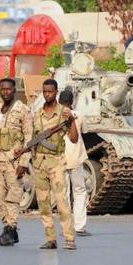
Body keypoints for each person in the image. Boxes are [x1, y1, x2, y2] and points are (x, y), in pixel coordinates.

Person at [30, 79, 78, 250]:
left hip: (56, 162)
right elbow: (32, 138)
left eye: (50, 92)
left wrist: (72, 121)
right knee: (43, 203)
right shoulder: (37, 114)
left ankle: (69, 238)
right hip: (39, 162)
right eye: (44, 92)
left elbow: (74, 138)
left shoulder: (63, 113)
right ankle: (50, 238)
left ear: (56, 92)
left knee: (61, 202)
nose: (47, 95)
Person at [0, 78, 33, 246]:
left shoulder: (22, 110)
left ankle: (12, 228)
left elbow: (29, 138)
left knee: (12, 198)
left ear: (14, 90)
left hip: (13, 162)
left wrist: (23, 163)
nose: (5, 91)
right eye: (3, 89)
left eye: (8, 89)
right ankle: (7, 230)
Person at [58, 89, 91, 236]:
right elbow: (84, 131)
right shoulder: (79, 115)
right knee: (79, 191)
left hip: (60, 158)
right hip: (76, 157)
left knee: (63, 194)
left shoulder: (55, 116)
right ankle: (79, 226)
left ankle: (66, 226)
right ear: (72, 101)